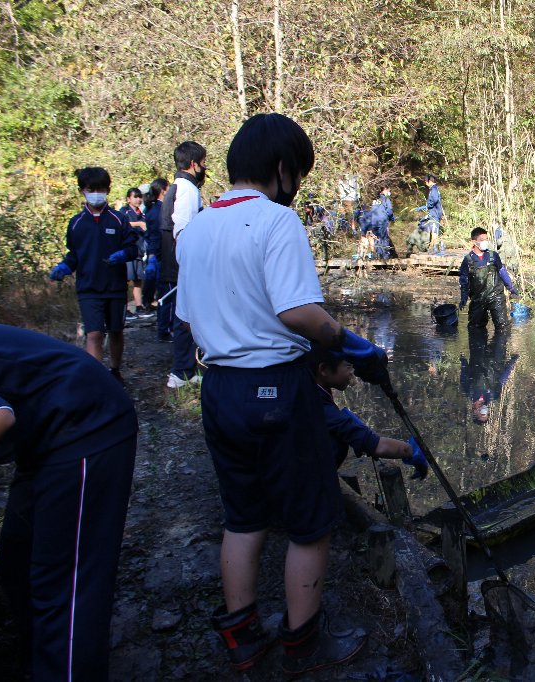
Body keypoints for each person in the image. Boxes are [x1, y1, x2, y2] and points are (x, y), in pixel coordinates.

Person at [176, 113, 389, 676]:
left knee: (243, 516)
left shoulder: (195, 228)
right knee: (310, 521)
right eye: (298, 173)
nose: (297, 187)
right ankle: (302, 643)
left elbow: (189, 320)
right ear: (281, 168)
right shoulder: (275, 222)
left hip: (220, 388)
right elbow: (296, 312)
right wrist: (348, 343)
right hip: (277, 387)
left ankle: (242, 637)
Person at [0, 324, 138, 681]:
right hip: (42, 434)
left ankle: (66, 666)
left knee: (65, 583)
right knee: (17, 559)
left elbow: (0, 417)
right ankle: (38, 659)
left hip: (86, 423)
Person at [48, 166, 140, 382]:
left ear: (108, 190)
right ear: (82, 191)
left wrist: (123, 254)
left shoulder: (118, 219)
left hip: (115, 286)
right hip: (88, 287)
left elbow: (133, 249)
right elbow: (74, 255)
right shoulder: (76, 223)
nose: (96, 193)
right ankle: (96, 378)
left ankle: (115, 371)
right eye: (91, 189)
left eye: (100, 189)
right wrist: (64, 267)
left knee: (116, 330)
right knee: (94, 334)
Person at [307, 344, 427, 477]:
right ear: (324, 369)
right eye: (348, 366)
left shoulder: (310, 389)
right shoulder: (318, 405)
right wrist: (410, 450)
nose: (352, 372)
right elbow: (377, 445)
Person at [159, 140, 207, 388]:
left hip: (176, 263)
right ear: (193, 164)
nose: (204, 167)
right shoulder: (187, 189)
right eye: (203, 162)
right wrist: (193, 265)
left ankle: (186, 369)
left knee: (184, 316)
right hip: (183, 265)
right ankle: (181, 372)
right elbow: (184, 231)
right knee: (184, 318)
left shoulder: (178, 187)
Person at [459, 226, 518, 330]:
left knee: (502, 326)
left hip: (496, 296)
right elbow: (464, 280)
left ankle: (500, 345)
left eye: (486, 239)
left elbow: (502, 272)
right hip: (478, 298)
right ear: (474, 241)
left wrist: (511, 287)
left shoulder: (493, 255)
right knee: (475, 328)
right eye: (482, 240)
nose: (485, 242)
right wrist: (463, 297)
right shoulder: (467, 260)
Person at [460, 328, 519, 425]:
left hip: (477, 355)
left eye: (482, 414)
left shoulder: (469, 391)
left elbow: (464, 374)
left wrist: (463, 360)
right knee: (501, 333)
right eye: (486, 414)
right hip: (497, 358)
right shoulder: (493, 395)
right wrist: (511, 362)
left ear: (475, 412)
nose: (485, 412)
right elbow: (502, 379)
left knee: (477, 330)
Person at [120, 187, 153, 318]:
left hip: (139, 250)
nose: (138, 200)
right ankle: (125, 309)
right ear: (128, 199)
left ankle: (139, 306)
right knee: (126, 279)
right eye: (135, 197)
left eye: (140, 197)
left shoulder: (142, 213)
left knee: (138, 279)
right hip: (127, 250)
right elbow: (123, 224)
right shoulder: (124, 211)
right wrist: (138, 224)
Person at [142, 178, 169, 327]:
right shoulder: (160, 210)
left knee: (160, 290)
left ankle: (162, 323)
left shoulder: (153, 209)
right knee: (164, 291)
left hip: (156, 253)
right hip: (160, 254)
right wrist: (153, 255)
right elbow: (156, 235)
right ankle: (163, 326)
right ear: (163, 190)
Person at [423, 173, 443, 243]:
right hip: (433, 212)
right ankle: (434, 247)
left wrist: (428, 205)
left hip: (435, 213)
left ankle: (435, 248)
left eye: (426, 182)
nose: (426, 184)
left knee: (435, 231)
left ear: (430, 181)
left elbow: (435, 199)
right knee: (433, 229)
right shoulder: (433, 189)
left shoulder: (434, 189)